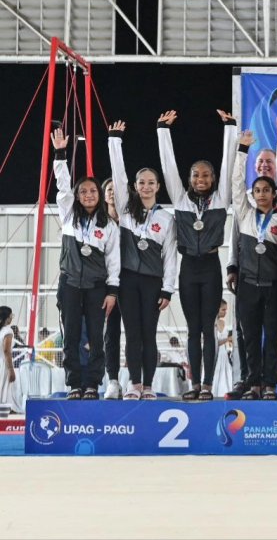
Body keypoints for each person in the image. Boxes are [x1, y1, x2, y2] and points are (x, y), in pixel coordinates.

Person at [157, 109, 236, 401]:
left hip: (211, 267)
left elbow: (228, 166)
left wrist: (230, 127)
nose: (200, 178)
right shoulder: (179, 198)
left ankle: (208, 386)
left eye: (205, 174)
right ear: (189, 179)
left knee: (208, 329)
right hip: (188, 266)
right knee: (193, 330)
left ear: (213, 178)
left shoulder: (221, 198)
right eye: (195, 174)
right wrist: (162, 131)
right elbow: (168, 167)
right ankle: (193, 385)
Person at [108, 120, 177, 401]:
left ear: (158, 186)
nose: (146, 187)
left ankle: (148, 385)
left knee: (149, 334)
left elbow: (170, 256)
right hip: (127, 280)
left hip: (152, 282)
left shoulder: (166, 218)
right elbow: (118, 172)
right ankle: (133, 384)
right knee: (132, 334)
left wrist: (168, 289)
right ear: (134, 187)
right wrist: (115, 140)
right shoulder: (126, 210)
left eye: (151, 183)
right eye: (141, 183)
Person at [52, 128, 120, 400]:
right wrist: (60, 154)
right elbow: (61, 184)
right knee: (70, 338)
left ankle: (92, 383)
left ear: (100, 195)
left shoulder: (109, 226)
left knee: (95, 335)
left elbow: (113, 261)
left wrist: (112, 291)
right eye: (84, 191)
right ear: (77, 196)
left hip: (96, 287)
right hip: (69, 284)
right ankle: (74, 385)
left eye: (93, 190)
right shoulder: (68, 216)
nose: (89, 194)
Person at [231, 129, 277, 400]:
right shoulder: (245, 215)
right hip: (248, 285)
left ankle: (271, 384)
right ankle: (253, 384)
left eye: (266, 190)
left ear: (275, 194)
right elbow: (235, 184)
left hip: (274, 286)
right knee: (250, 339)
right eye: (257, 190)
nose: (261, 194)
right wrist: (241, 150)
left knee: (272, 339)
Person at [99, 178, 125, 399]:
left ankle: (140, 382)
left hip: (131, 283)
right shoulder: (98, 221)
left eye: (116, 190)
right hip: (107, 285)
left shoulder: (131, 220)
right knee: (111, 333)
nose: (112, 193)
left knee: (139, 335)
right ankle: (113, 380)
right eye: (108, 189)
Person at [0, 307, 23, 413]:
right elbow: (6, 350)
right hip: (3, 364)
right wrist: (10, 369)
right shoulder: (8, 331)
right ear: (7, 317)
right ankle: (5, 416)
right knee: (5, 392)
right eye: (11, 315)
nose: (12, 318)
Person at [211, 300, 234, 397]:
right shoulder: (211, 323)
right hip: (214, 354)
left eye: (226, 310)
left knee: (226, 375)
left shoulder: (223, 323)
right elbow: (213, 342)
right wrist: (227, 339)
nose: (225, 312)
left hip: (224, 354)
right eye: (223, 310)